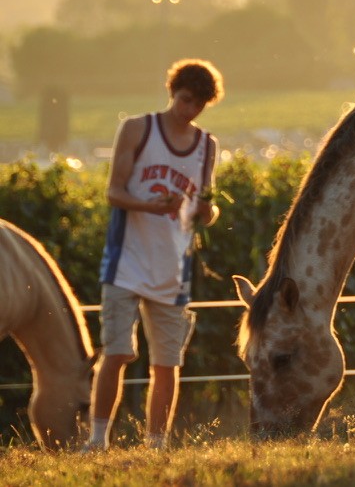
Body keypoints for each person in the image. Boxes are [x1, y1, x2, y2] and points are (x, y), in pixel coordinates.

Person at [85, 59, 224, 451]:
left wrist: (203, 211)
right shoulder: (137, 129)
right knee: (117, 352)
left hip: (172, 267)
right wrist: (152, 206)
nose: (189, 110)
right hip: (125, 261)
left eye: (198, 105)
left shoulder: (206, 146)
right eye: (185, 100)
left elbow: (209, 208)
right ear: (172, 92)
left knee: (167, 363)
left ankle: (156, 445)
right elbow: (113, 193)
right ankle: (98, 440)